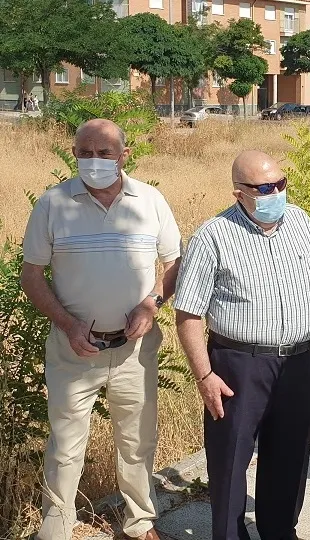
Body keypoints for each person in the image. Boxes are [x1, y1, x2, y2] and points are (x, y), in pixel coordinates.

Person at [20, 119, 181, 540]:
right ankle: (56, 529)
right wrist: (69, 324)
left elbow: (174, 264)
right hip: (74, 349)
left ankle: (140, 522)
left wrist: (152, 304)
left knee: (137, 440)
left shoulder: (150, 201)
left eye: (104, 153)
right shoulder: (53, 204)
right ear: (74, 154)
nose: (93, 162)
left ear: (124, 156)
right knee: (66, 445)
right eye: (84, 153)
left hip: (135, 348)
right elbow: (32, 275)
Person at [173, 150, 310, 540]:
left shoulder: (300, 221)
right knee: (230, 460)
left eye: (281, 183)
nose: (277, 193)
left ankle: (280, 529)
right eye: (265, 188)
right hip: (238, 365)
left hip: (298, 361)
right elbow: (188, 315)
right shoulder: (212, 236)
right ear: (239, 194)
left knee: (290, 454)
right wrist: (205, 376)